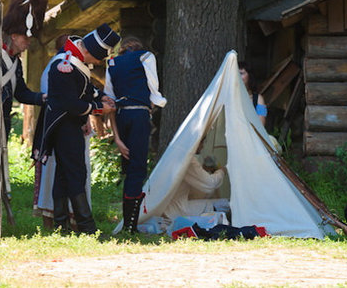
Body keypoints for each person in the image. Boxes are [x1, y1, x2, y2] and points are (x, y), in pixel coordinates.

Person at [37, 24, 120, 234]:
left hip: (69, 123)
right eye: (97, 58)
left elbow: (84, 87)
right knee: (76, 172)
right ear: (89, 52)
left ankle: (61, 225)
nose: (97, 63)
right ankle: (86, 227)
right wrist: (100, 108)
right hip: (64, 125)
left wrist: (101, 96)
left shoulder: (74, 60)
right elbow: (71, 104)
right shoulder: (64, 65)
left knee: (64, 174)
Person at [104, 36, 167, 234]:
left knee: (130, 168)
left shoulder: (112, 63)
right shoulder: (146, 56)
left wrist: (117, 138)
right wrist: (156, 101)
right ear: (138, 48)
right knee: (137, 169)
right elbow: (153, 86)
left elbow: (111, 99)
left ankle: (129, 223)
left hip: (122, 117)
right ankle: (130, 226)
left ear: (123, 49)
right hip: (139, 114)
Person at [0, 0, 49, 215]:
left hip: (4, 122)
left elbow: (21, 94)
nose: (29, 44)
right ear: (16, 35)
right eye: (26, 39)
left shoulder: (14, 62)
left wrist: (44, 98)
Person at [162, 141, 228, 222]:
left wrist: (205, 171)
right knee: (225, 204)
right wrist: (223, 171)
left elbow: (197, 191)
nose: (203, 146)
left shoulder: (181, 155)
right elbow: (210, 184)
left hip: (172, 207)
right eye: (202, 143)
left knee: (215, 201)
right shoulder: (188, 160)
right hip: (175, 210)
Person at [238, 61, 267, 127]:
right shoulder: (230, 97)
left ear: (249, 76)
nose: (238, 76)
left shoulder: (258, 99)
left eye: (241, 73)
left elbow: (261, 124)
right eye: (236, 73)